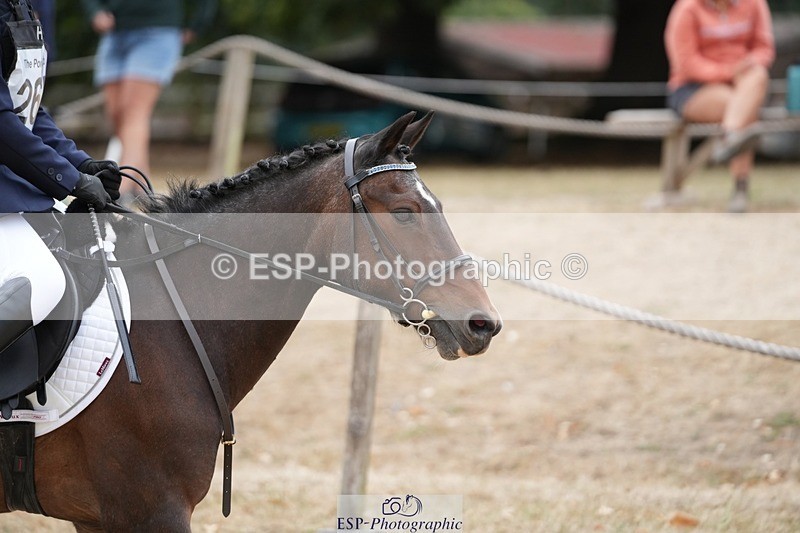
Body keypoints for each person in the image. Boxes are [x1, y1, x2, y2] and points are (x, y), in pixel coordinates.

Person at [0, 0, 120, 357]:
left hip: (11, 186)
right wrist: (68, 180)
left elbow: (26, 107)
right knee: (42, 279)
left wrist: (81, 165)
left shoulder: (20, 5)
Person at [81, 0, 217, 203]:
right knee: (116, 115)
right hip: (115, 33)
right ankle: (144, 190)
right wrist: (95, 12)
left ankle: (121, 191)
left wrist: (196, 25)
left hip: (158, 33)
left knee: (134, 113)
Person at [664, 0, 775, 213]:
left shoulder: (754, 4)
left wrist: (750, 64)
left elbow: (764, 48)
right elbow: (686, 64)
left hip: (744, 83)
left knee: (758, 77)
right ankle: (740, 188)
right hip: (695, 87)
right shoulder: (687, 9)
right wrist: (730, 71)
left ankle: (729, 135)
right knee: (743, 106)